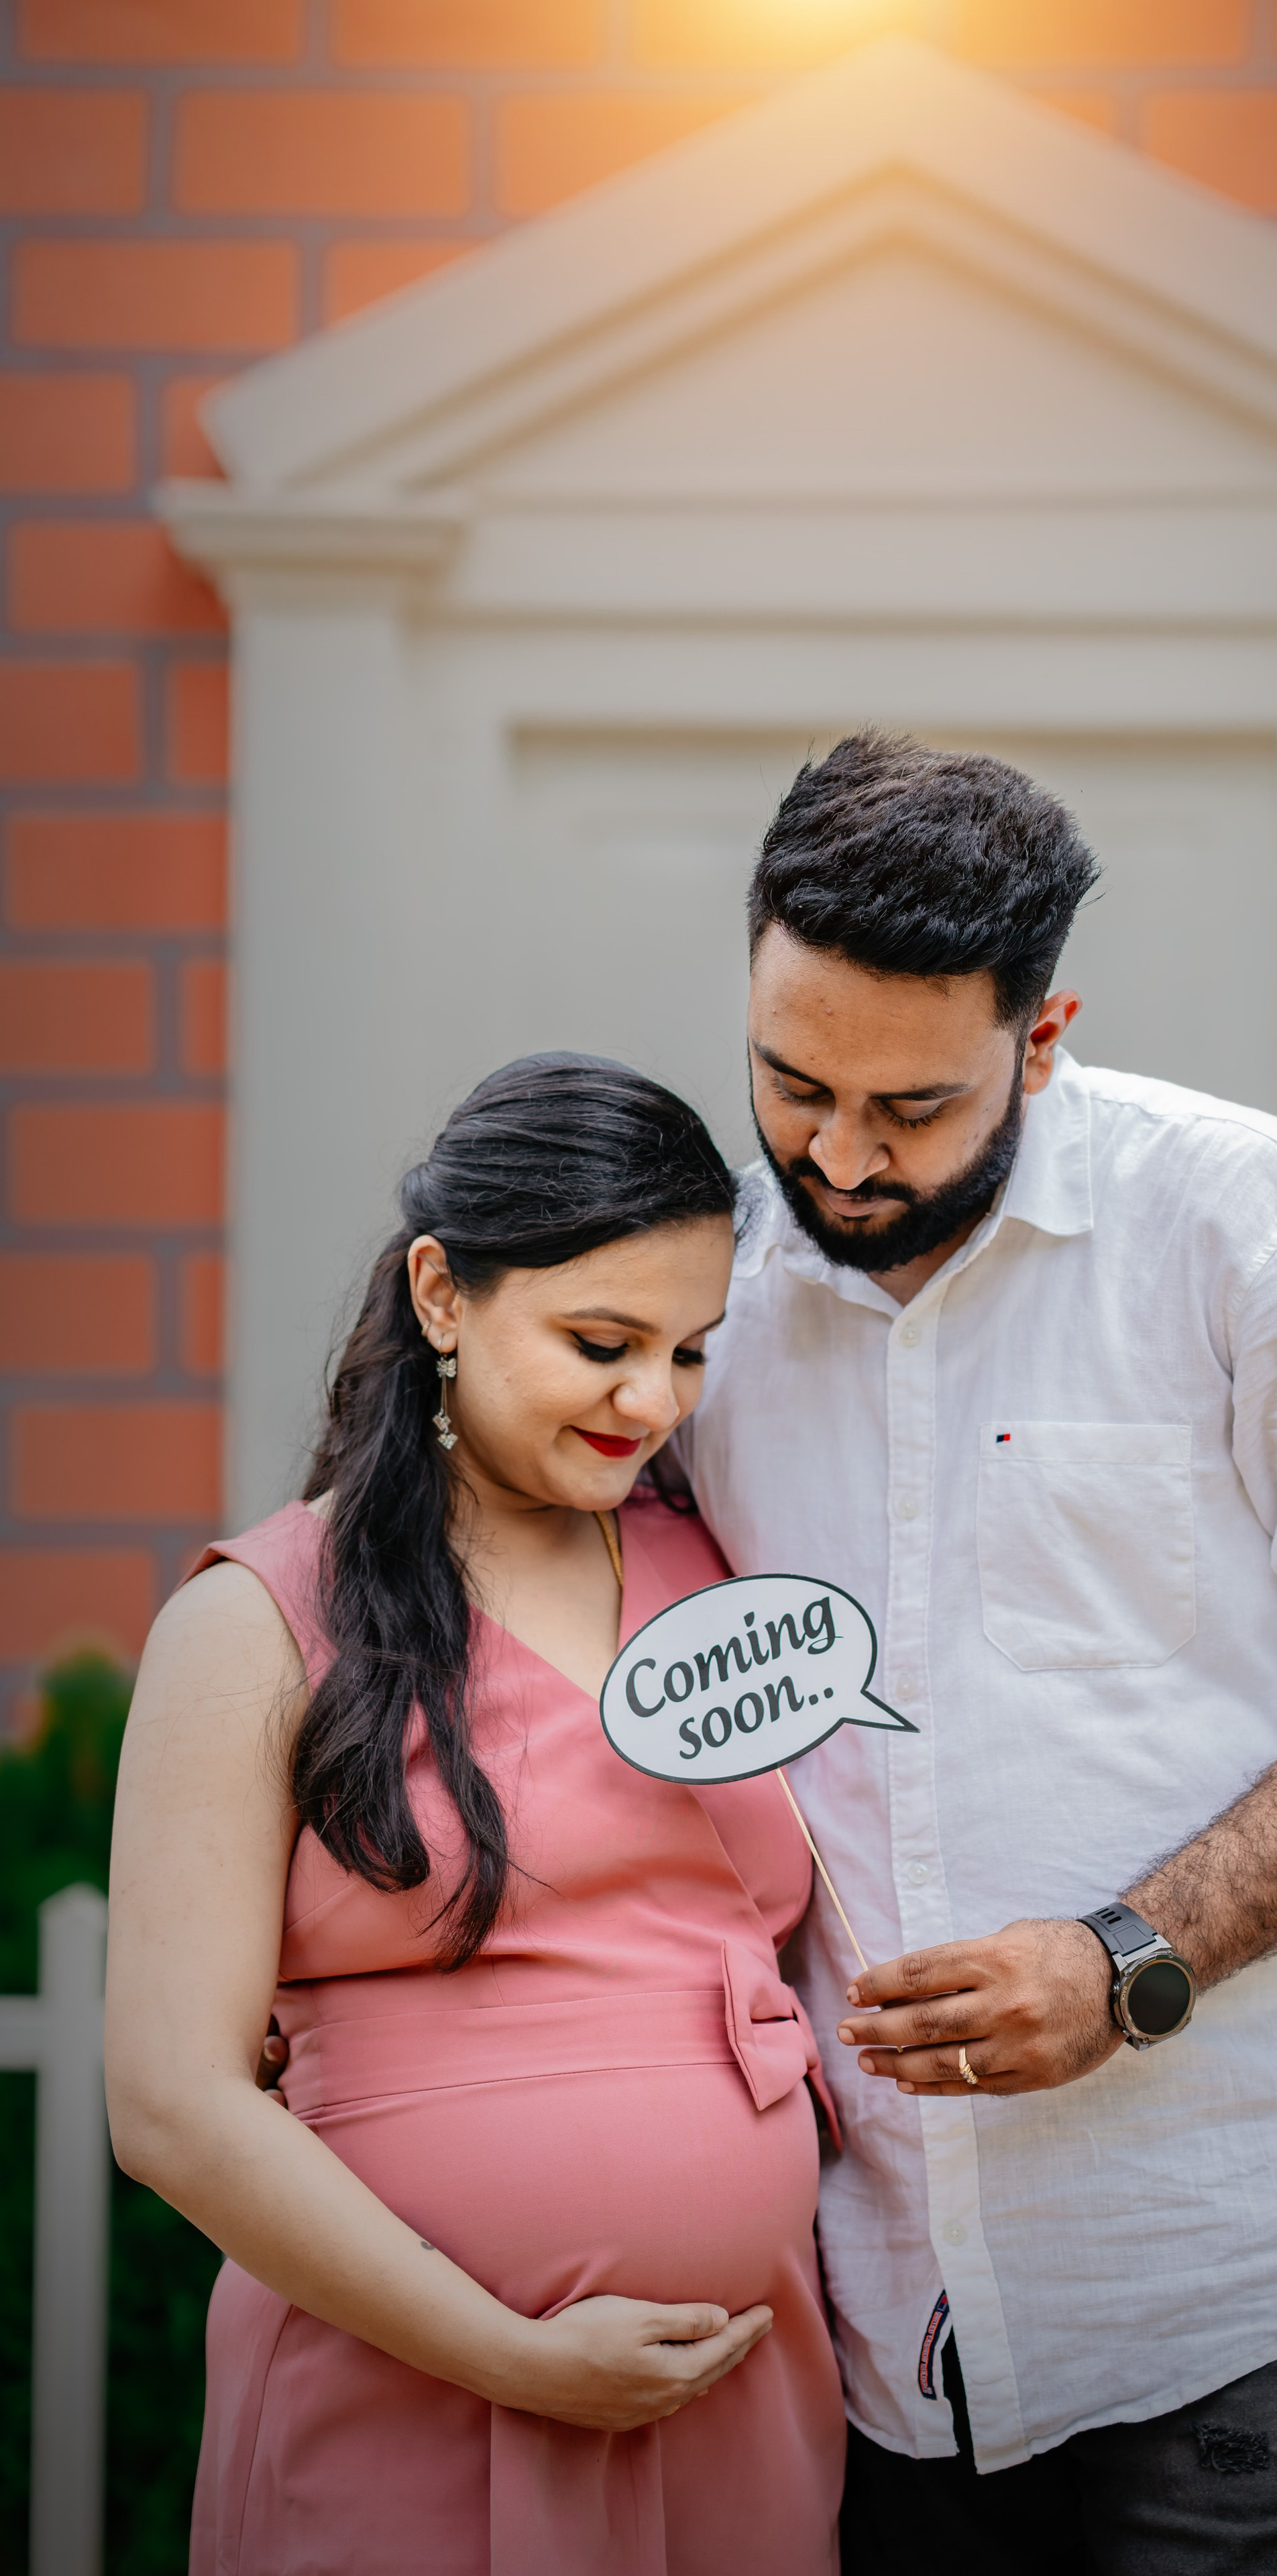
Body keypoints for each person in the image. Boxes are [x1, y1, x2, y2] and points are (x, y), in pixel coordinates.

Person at [674, 732, 1277, 2573]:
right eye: (792, 1080)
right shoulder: (702, 1303)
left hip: (1232, 2295)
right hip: (865, 2314)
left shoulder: (1258, 1224)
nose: (840, 1154)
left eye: (911, 1107)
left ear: (1044, 1034)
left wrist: (1125, 1961)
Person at [104, 1053, 845, 2576]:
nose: (652, 1401)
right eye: (601, 1341)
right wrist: (514, 2357)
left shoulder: (720, 1568)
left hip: (740, 2408)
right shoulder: (261, 1619)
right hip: (408, 2395)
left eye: (691, 1352)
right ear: (443, 1295)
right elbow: (171, 2104)